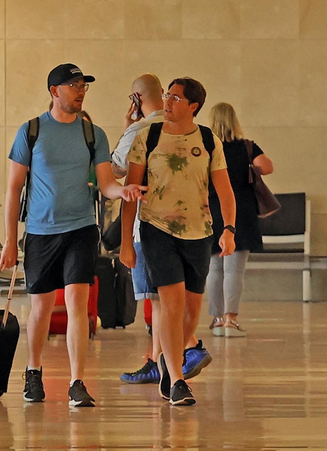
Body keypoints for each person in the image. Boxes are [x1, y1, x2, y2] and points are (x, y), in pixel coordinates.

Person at [0, 63, 141, 409]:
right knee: (41, 307)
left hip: (81, 229)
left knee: (78, 302)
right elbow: (14, 188)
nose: (80, 92)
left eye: (83, 86)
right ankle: (34, 371)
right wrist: (10, 241)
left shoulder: (93, 134)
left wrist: (122, 191)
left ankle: (77, 381)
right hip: (40, 232)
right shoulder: (31, 131)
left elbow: (106, 183)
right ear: (55, 91)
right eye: (74, 85)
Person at [119, 77, 236, 407]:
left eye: (175, 98)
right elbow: (131, 194)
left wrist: (229, 229)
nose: (167, 102)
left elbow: (225, 191)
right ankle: (177, 379)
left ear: (193, 106)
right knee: (170, 304)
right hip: (157, 230)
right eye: (167, 96)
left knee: (190, 312)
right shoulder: (148, 137)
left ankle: (168, 363)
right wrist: (127, 241)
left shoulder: (209, 140)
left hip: (199, 232)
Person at [112, 74, 209, 385]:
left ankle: (181, 351)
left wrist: (127, 126)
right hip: (183, 230)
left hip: (150, 228)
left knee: (159, 300)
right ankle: (164, 359)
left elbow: (115, 169)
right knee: (168, 300)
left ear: (136, 99)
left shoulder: (142, 131)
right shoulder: (176, 128)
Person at [205, 102, 272, 338]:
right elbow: (266, 167)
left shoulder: (206, 147)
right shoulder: (246, 147)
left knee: (214, 267)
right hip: (240, 212)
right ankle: (231, 321)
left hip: (211, 211)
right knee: (234, 269)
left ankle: (217, 319)